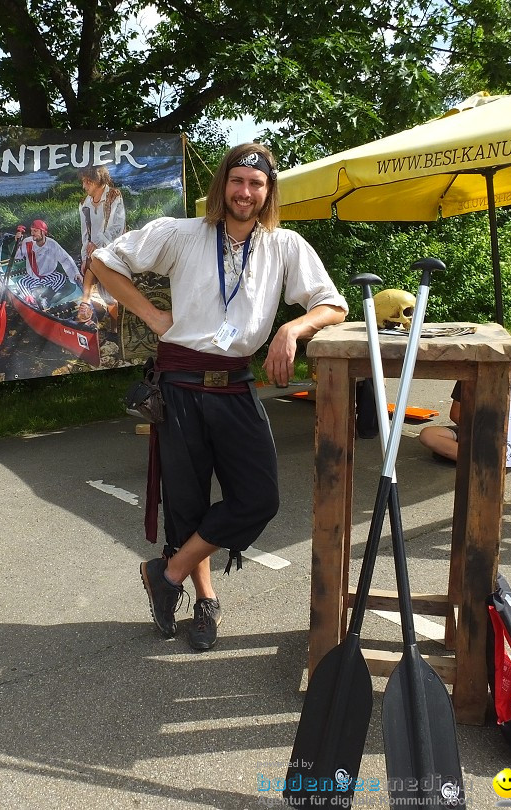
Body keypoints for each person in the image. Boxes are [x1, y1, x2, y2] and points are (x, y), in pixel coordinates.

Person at [88, 144, 348, 651]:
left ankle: (167, 572)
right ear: (222, 185)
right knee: (187, 505)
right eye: (237, 181)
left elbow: (332, 304)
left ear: (268, 192)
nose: (245, 192)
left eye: (256, 183)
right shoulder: (181, 233)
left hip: (235, 382)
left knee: (259, 498)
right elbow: (103, 261)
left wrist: (291, 329)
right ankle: (204, 601)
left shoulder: (285, 245)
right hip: (181, 383)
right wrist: (151, 316)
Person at [418, 376, 511, 462]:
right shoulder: (467, 376)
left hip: (504, 430)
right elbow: (455, 413)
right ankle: (484, 460)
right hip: (472, 428)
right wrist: (478, 427)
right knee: (427, 435)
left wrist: (499, 428)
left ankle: (465, 457)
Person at [77, 166, 126, 330]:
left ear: (96, 180)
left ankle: (113, 326)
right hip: (95, 254)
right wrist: (84, 256)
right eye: (84, 181)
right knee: (90, 264)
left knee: (110, 295)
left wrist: (98, 242)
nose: (84, 186)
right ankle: (86, 304)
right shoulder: (84, 204)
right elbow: (85, 235)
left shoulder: (114, 195)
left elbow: (118, 227)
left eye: (87, 181)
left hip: (114, 250)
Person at [14, 219, 81, 307]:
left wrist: (76, 273)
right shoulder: (27, 242)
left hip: (49, 276)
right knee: (20, 283)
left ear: (43, 232)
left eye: (35, 231)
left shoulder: (52, 244)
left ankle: (45, 297)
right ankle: (31, 301)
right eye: (32, 231)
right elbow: (17, 257)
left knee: (60, 278)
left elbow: (65, 259)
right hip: (32, 277)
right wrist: (17, 243)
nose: (33, 233)